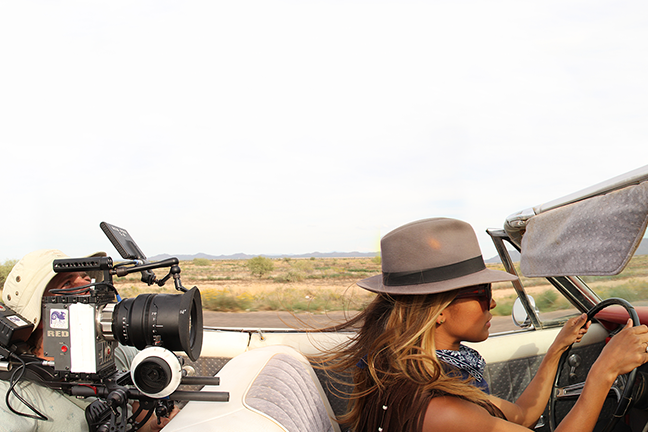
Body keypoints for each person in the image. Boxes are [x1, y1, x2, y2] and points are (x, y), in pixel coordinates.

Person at [315, 218, 648, 432]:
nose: (492, 303)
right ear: (438, 310)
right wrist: (603, 372)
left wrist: (557, 349)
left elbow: (521, 415)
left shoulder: (423, 372)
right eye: (482, 293)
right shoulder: (441, 410)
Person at [0, 249, 175, 432]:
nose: (88, 285)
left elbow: (139, 417)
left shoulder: (115, 354)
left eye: (85, 277)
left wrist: (155, 426)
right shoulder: (14, 398)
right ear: (40, 314)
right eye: (67, 284)